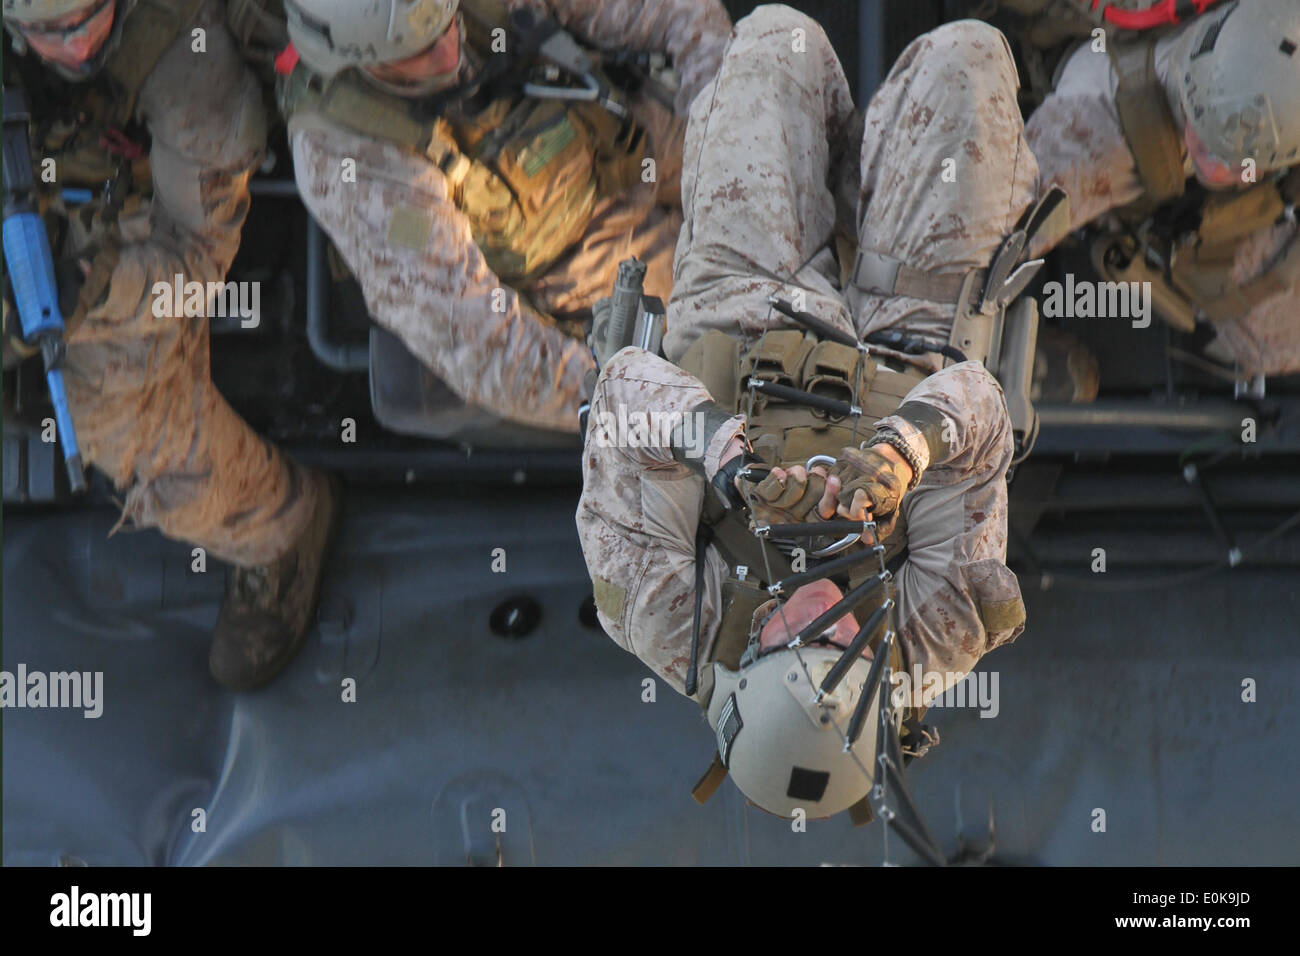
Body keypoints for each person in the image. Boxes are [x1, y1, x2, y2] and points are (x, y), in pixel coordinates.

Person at [576, 6, 1038, 819]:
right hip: (912, 346)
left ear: (740, 661)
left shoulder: (661, 615)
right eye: (843, 641)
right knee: (968, 60)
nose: (822, 613)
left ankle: (854, 163)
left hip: (744, 315)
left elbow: (619, 399)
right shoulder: (938, 636)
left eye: (793, 635)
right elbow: (983, 414)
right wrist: (900, 458)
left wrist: (720, 452)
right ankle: (882, 173)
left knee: (779, 42)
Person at [3, 0, 339, 690]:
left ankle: (277, 527)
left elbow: (195, 275)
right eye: (47, 32)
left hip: (128, 242)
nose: (73, 46)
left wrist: (91, 291)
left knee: (130, 433)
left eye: (86, 21)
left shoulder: (192, 72)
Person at [278, 0, 732, 432]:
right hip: (580, 263)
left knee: (775, 57)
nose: (449, 51)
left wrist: (722, 131)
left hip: (627, 133)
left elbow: (678, 13)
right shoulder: (351, 161)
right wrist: (640, 401)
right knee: (746, 362)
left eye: (447, 21)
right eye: (418, 52)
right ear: (357, 62)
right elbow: (484, 347)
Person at [1023, 0, 1300, 381]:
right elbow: (997, 231)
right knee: (1275, 339)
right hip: (1105, 145)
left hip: (1241, 189)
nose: (1221, 168)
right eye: (1210, 147)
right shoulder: (1099, 135)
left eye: (1239, 163)